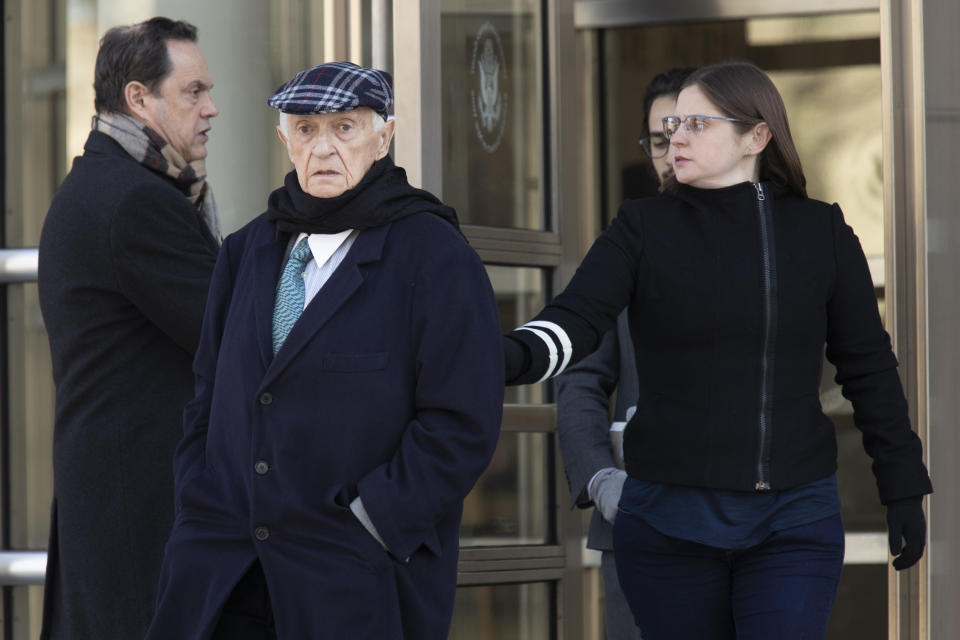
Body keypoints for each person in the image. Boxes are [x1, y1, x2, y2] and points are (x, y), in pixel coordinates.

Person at [504, 61, 932, 639]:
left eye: (697, 124)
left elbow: (869, 369)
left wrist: (901, 486)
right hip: (666, 524)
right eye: (674, 123)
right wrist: (509, 357)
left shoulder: (820, 232)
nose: (674, 136)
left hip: (792, 520)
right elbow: (576, 320)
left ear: (756, 136)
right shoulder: (641, 227)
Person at [144, 61, 504, 640]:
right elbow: (207, 394)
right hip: (224, 569)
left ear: (384, 136)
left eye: (345, 128)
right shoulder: (247, 250)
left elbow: (462, 423)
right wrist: (198, 501)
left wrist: (372, 522)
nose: (324, 148)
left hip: (349, 577)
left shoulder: (434, 254)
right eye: (307, 129)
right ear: (284, 139)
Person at [36, 17, 220, 640]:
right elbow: (232, 334)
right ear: (139, 98)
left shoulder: (110, 186)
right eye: (193, 92)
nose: (211, 108)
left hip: (123, 511)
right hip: (138, 520)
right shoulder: (133, 202)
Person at [555, 67, 692, 640]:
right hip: (635, 523)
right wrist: (601, 479)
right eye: (658, 140)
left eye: (684, 133)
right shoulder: (625, 242)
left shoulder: (782, 240)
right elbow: (580, 378)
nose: (670, 153)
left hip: (749, 523)